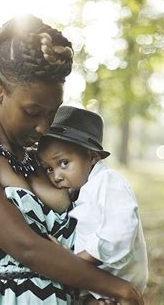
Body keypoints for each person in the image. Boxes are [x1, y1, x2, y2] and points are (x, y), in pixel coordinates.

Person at [0, 14, 144, 304]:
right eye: (32, 112)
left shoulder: (50, 163)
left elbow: (90, 237)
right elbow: (26, 247)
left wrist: (92, 297)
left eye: (52, 113)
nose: (43, 127)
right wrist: (119, 289)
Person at [36, 106, 148, 303]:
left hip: (120, 285)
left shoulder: (108, 181)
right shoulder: (80, 190)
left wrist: (75, 262)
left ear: (92, 156)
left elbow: (120, 232)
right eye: (48, 169)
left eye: (63, 163)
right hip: (96, 292)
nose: (56, 176)